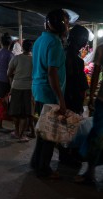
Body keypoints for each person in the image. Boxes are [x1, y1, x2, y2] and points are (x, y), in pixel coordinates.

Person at [30, 9, 70, 178]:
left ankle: (35, 162)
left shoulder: (40, 40)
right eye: (66, 22)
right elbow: (52, 73)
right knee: (49, 133)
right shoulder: (54, 43)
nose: (68, 26)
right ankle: (43, 169)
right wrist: (61, 100)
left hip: (39, 90)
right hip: (49, 92)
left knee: (42, 130)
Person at [59, 25, 90, 166]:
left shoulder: (61, 53)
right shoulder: (77, 61)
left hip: (62, 96)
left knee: (64, 128)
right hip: (72, 99)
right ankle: (68, 157)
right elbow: (82, 85)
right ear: (81, 41)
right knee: (71, 129)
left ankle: (64, 156)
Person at [75, 44, 103, 184]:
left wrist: (91, 96)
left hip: (102, 100)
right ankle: (90, 172)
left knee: (97, 136)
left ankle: (90, 172)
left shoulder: (102, 48)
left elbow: (97, 71)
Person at [7, 40, 33, 142]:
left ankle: (17, 132)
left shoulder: (16, 58)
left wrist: (12, 85)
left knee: (15, 112)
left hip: (16, 87)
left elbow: (9, 73)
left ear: (22, 47)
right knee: (25, 113)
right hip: (28, 88)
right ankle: (21, 135)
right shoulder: (34, 60)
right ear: (31, 48)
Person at [64, 25, 89, 115]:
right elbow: (78, 83)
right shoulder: (76, 60)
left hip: (63, 98)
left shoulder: (62, 52)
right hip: (72, 101)